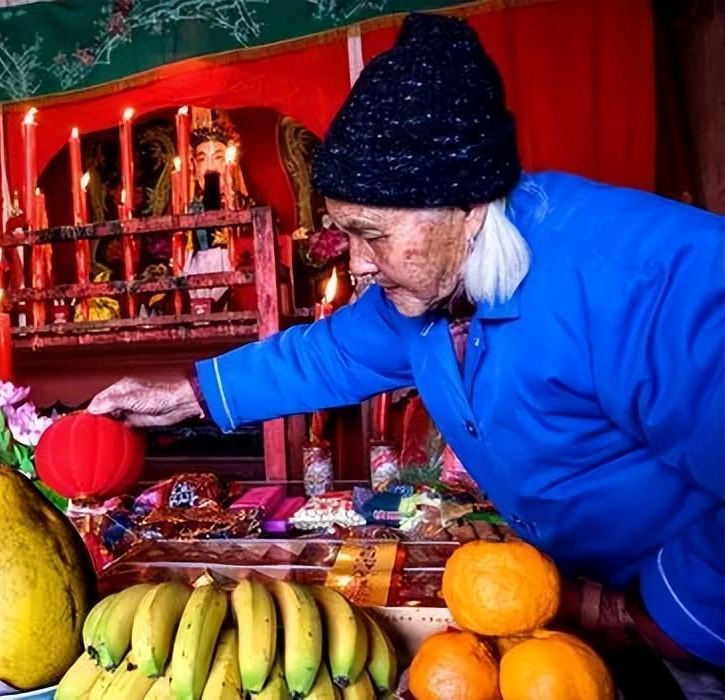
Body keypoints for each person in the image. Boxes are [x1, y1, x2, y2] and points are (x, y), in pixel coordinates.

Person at [88, 13, 724, 667]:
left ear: (468, 208)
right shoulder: (425, 286)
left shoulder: (644, 280)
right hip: (573, 607)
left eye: (372, 235)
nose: (356, 264)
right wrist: (186, 395)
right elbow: (328, 353)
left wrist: (648, 613)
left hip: (689, 612)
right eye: (346, 232)